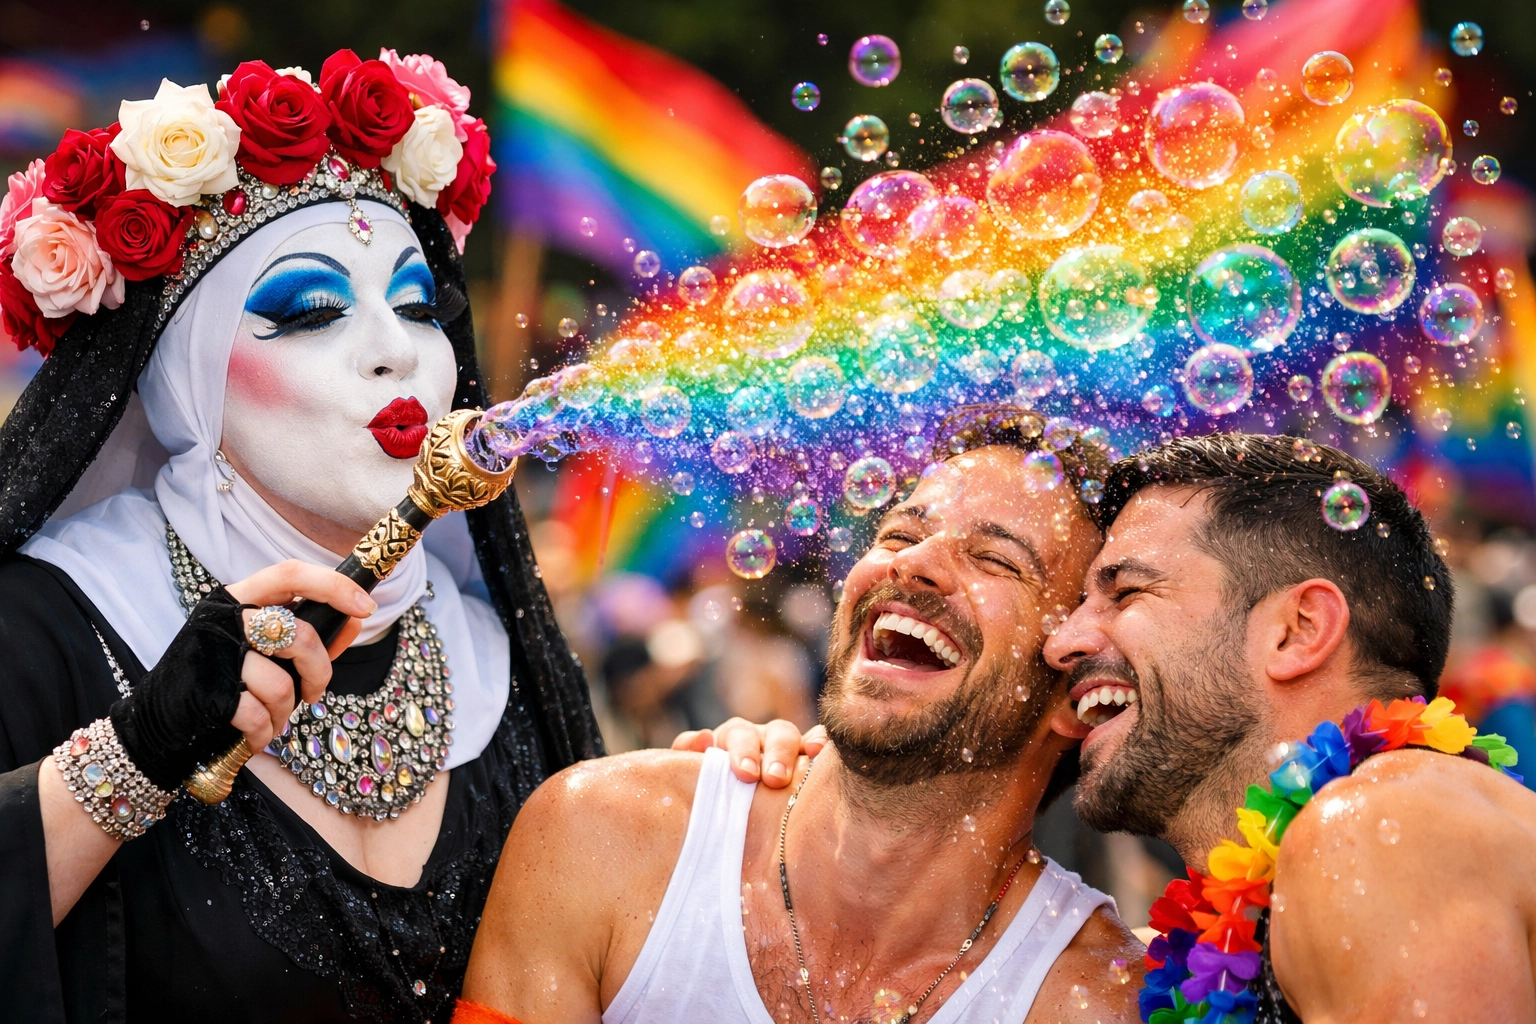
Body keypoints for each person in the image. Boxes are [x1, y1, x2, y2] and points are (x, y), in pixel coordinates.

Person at [0, 53, 602, 1022]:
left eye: (418, 304)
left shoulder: (497, 653)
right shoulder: (42, 628)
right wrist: (131, 754)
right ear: (190, 385)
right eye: (312, 310)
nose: (396, 349)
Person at [455, 406, 1145, 1024]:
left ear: (1073, 693)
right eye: (901, 533)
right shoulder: (602, 836)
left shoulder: (1097, 1000)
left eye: (996, 559)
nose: (918, 563)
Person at [1042, 433, 1536, 1021]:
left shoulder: (1380, 821)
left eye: (1125, 593)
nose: (1062, 642)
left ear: (1298, 630)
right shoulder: (1232, 929)